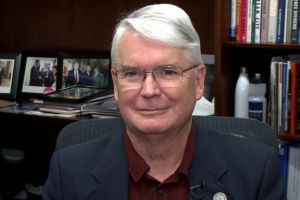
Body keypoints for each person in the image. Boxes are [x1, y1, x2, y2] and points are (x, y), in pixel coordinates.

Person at [42, 4, 284, 200]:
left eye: (168, 72)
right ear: (116, 84)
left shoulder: (256, 171)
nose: (149, 90)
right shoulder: (69, 172)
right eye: (132, 73)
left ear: (199, 82)